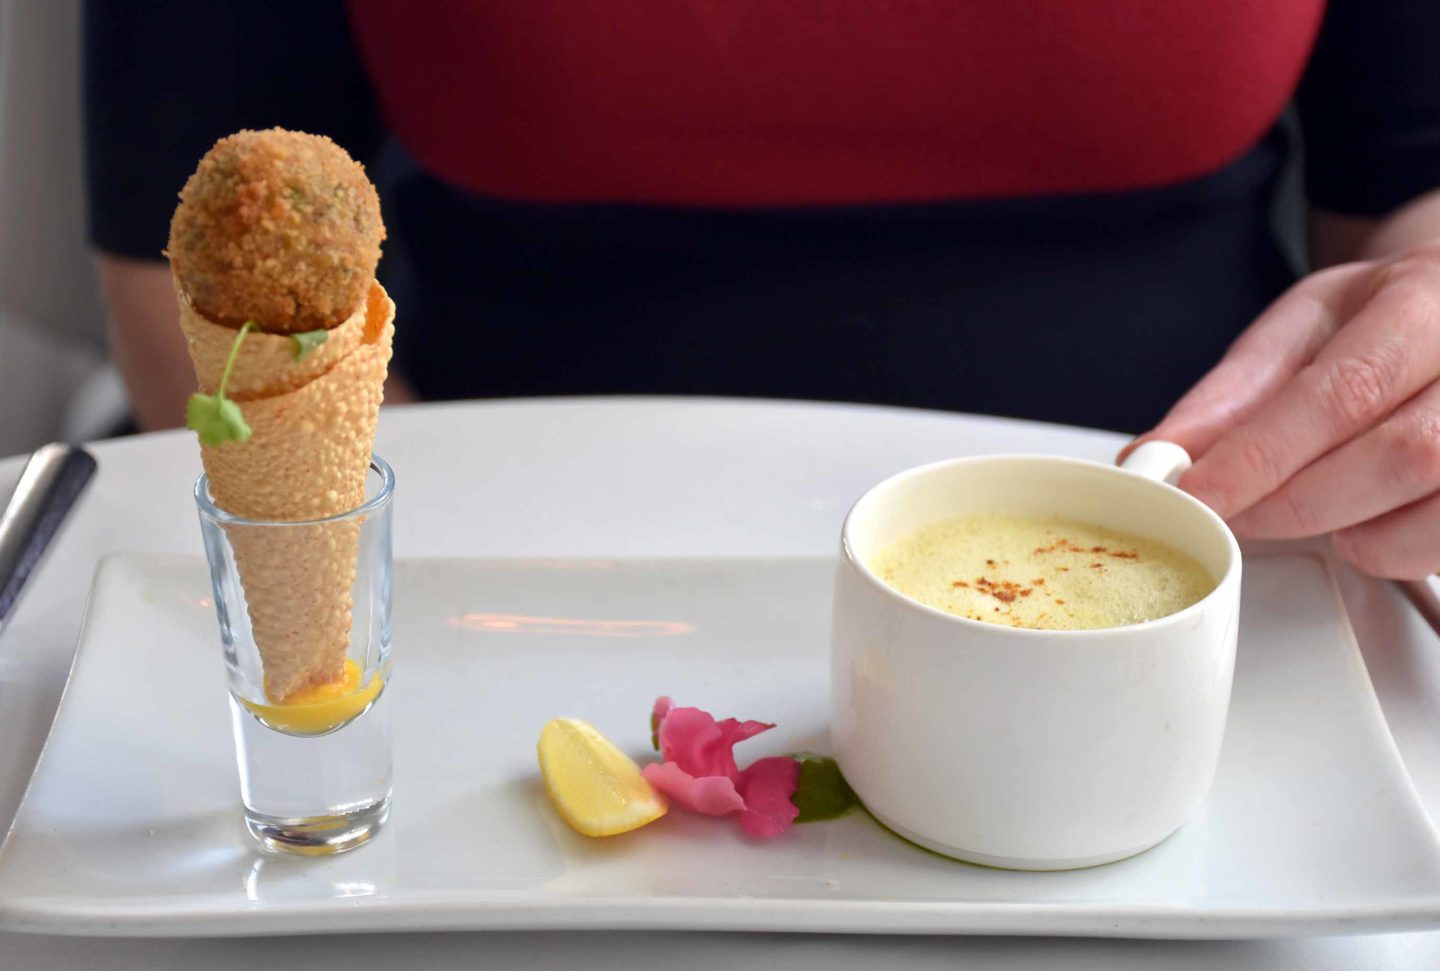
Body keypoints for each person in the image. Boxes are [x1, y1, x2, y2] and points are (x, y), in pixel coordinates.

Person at [84, 2, 1440, 579]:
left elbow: (1409, 181)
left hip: (1217, 566)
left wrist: (1410, 358)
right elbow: (198, 250)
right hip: (493, 556)